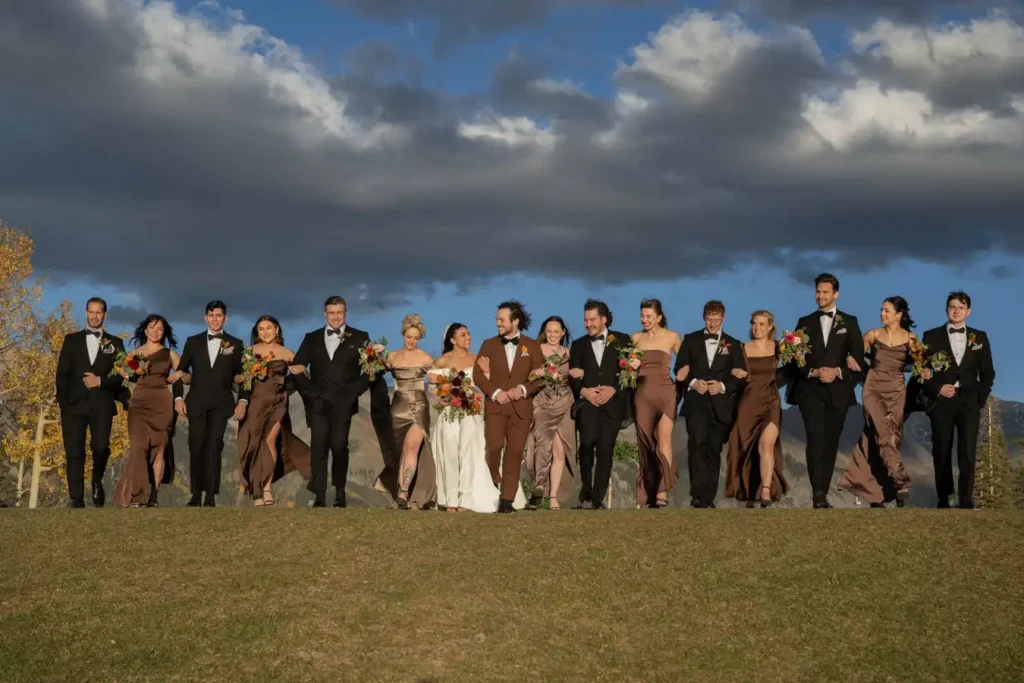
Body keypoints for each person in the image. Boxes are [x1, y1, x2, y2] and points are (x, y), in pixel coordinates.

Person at [784, 273, 864, 508]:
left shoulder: (849, 322)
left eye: (825, 292)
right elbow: (794, 359)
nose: (820, 296)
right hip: (811, 391)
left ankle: (823, 491)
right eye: (818, 291)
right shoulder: (804, 322)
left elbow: (858, 356)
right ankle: (817, 493)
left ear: (835, 294)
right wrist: (813, 372)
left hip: (839, 392)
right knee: (815, 439)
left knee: (830, 443)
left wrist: (838, 370)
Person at [289, 296, 372, 508]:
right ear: (325, 314)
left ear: (345, 312)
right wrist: (309, 391)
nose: (336, 317)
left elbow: (374, 368)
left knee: (339, 446)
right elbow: (297, 367)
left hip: (344, 402)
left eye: (340, 312)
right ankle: (319, 495)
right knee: (319, 446)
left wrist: (356, 391)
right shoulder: (311, 338)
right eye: (332, 313)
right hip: (318, 402)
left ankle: (340, 492)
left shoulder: (360, 337)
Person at [430, 323, 523, 512]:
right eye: (463, 335)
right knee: (449, 451)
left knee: (468, 451)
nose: (468, 338)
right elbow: (433, 387)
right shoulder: (441, 361)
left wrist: (487, 371)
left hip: (471, 411)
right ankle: (450, 500)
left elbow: (489, 384)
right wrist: (442, 394)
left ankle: (465, 499)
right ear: (452, 340)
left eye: (469, 334)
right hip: (449, 411)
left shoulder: (477, 359)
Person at [839, 297, 919, 507]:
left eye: (886, 310)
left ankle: (877, 493)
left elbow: (925, 363)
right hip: (873, 389)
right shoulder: (872, 335)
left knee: (886, 438)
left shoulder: (911, 339)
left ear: (898, 314)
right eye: (881, 310)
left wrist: (928, 369)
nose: (882, 314)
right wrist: (849, 357)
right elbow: (854, 355)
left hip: (896, 391)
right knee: (884, 435)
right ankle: (900, 483)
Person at [919, 291, 995, 508]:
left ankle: (966, 498)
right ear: (946, 309)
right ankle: (944, 497)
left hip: (970, 401)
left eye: (960, 307)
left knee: (968, 450)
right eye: (952, 306)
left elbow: (988, 372)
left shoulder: (979, 337)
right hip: (942, 401)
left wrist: (980, 397)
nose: (956, 310)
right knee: (941, 449)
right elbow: (922, 372)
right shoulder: (931, 336)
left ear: (968, 312)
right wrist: (937, 388)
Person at [173, 300, 249, 507]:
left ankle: (210, 497)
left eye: (219, 315)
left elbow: (244, 376)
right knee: (196, 445)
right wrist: (178, 398)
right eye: (211, 315)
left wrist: (242, 400)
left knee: (215, 446)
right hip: (196, 402)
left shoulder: (237, 345)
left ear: (226, 318)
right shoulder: (193, 342)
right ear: (205, 318)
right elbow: (180, 372)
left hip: (222, 403)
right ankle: (196, 494)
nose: (215, 319)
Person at [55, 297, 128, 507]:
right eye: (91, 312)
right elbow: (62, 374)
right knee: (74, 452)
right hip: (73, 406)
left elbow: (122, 374)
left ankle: (96, 480)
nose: (95, 316)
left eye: (99, 312)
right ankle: (76, 498)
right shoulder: (71, 340)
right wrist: (63, 402)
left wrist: (101, 382)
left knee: (100, 447)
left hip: (102, 404)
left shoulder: (116, 344)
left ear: (105, 315)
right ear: (86, 313)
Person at [673, 300, 746, 508]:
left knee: (713, 450)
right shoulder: (691, 340)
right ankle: (697, 495)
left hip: (721, 407)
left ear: (723, 318)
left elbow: (740, 377)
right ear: (703, 317)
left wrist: (722, 386)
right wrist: (695, 383)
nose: (713, 324)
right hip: (696, 404)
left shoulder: (733, 344)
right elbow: (679, 370)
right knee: (696, 446)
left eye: (716, 320)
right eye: (709, 319)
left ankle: (708, 496)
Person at [473, 301, 544, 513]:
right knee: (493, 447)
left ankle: (507, 500)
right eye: (496, 319)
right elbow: (478, 375)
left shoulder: (532, 346)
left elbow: (541, 378)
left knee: (514, 454)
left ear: (515, 321)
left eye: (501, 319)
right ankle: (494, 479)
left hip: (521, 410)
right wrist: (495, 393)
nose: (497, 323)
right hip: (495, 408)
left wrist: (522, 389)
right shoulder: (488, 344)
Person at [234, 315, 311, 507]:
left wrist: (301, 369)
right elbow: (236, 379)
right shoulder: (250, 352)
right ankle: (255, 490)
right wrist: (247, 375)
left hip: (277, 402)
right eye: (261, 329)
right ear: (257, 332)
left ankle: (266, 488)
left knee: (269, 441)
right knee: (252, 444)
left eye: (269, 328)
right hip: (255, 402)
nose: (265, 332)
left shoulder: (287, 353)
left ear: (277, 330)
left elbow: (303, 375)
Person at [722, 310, 789, 507]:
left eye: (761, 324)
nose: (757, 327)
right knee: (747, 449)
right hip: (748, 403)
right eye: (754, 323)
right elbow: (729, 370)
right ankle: (750, 493)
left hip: (771, 402)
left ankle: (766, 491)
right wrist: (733, 370)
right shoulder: (742, 349)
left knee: (766, 445)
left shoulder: (779, 347)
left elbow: (795, 366)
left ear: (770, 327)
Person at [568, 299, 629, 509]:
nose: (588, 324)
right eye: (585, 320)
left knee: (605, 450)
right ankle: (585, 489)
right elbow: (573, 376)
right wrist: (584, 391)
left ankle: (597, 498)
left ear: (604, 319)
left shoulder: (622, 340)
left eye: (592, 319)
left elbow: (630, 372)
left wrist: (613, 389)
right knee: (586, 446)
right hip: (587, 405)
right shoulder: (578, 345)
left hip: (612, 406)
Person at [114, 314, 181, 507]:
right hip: (139, 404)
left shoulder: (170, 354)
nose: (155, 331)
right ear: (145, 330)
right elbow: (127, 376)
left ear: (164, 332)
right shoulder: (134, 354)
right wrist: (123, 372)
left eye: (160, 329)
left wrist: (180, 372)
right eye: (152, 327)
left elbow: (187, 377)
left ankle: (154, 496)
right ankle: (137, 497)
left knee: (160, 450)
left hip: (162, 403)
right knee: (137, 448)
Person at [631, 299, 682, 508]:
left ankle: (662, 491)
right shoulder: (635, 338)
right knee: (646, 445)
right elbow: (626, 366)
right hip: (642, 394)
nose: (645, 320)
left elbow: (687, 360)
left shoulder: (672, 337)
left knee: (664, 439)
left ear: (659, 317)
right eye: (642, 316)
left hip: (666, 393)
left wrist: (683, 376)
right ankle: (650, 492)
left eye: (649, 316)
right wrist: (629, 366)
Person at [524, 316, 577, 511]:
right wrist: (536, 374)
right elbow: (526, 375)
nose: (552, 335)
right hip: (543, 401)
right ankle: (539, 486)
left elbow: (575, 377)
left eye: (556, 331)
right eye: (549, 331)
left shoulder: (569, 353)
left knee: (559, 450)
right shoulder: (535, 350)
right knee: (542, 441)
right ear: (544, 332)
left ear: (563, 333)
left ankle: (553, 496)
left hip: (565, 401)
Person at [385, 314, 436, 510]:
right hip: (398, 406)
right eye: (409, 337)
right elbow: (375, 370)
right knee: (402, 450)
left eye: (416, 337)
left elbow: (436, 379)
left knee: (413, 447)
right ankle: (400, 492)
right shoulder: (392, 357)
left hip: (418, 407)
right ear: (403, 334)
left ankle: (404, 492)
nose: (412, 341)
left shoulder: (425, 358)